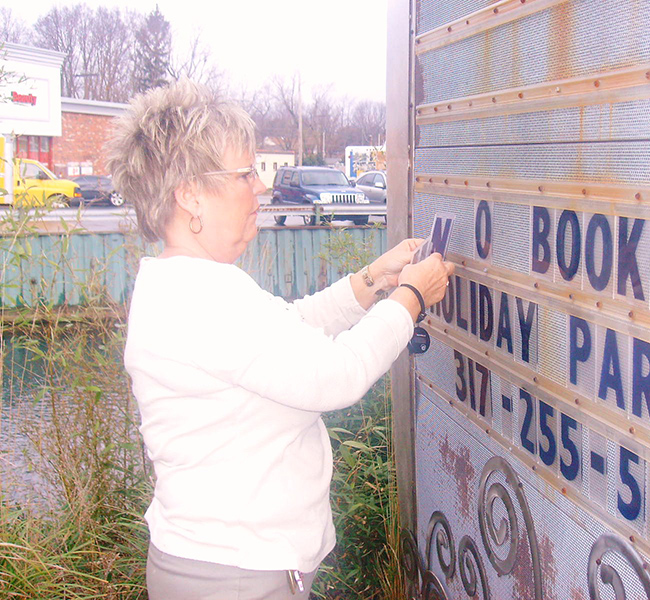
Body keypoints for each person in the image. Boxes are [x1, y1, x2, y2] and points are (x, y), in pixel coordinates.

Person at [106, 79, 454, 600]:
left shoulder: (181, 284)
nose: (261, 187)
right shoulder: (204, 299)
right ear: (190, 194)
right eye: (244, 173)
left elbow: (286, 328)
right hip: (236, 576)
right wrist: (411, 299)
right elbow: (337, 375)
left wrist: (371, 281)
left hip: (217, 565)